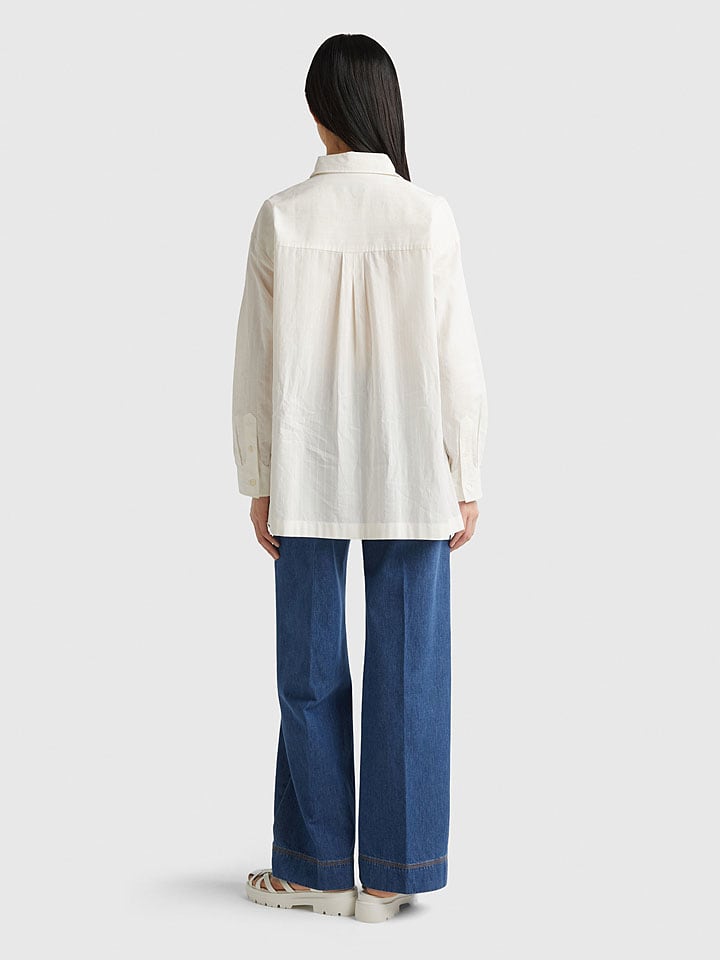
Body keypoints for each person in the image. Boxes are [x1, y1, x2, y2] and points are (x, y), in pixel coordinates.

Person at [232, 33, 488, 923]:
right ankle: (390, 876)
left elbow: (255, 363)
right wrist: (466, 470)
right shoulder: (428, 216)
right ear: (386, 108)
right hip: (413, 465)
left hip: (305, 465)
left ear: (317, 111)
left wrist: (258, 477)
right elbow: (458, 360)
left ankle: (314, 869)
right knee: (412, 665)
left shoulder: (282, 215)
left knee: (307, 668)